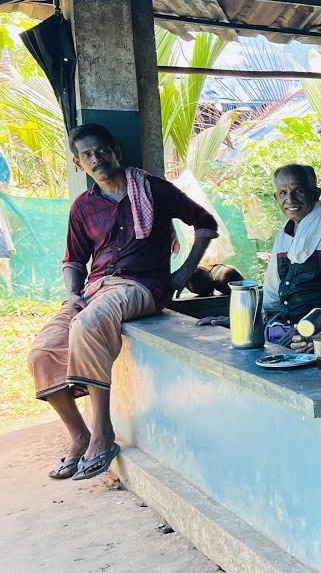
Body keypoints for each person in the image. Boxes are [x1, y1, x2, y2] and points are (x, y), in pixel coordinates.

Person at [28, 123, 218, 480]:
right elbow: (73, 259)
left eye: (101, 151)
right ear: (77, 163)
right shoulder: (83, 207)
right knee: (42, 353)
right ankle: (79, 435)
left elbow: (205, 223)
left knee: (88, 325)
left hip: (141, 285)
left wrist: (183, 272)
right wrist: (73, 293)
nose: (96, 159)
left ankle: (103, 433)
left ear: (116, 150)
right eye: (87, 155)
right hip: (95, 289)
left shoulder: (152, 190)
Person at [198, 165, 321, 349]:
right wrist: (242, 321)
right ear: (276, 197)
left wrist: (310, 331)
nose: (290, 199)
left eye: (298, 191)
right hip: (284, 331)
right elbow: (272, 294)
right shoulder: (286, 232)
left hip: (317, 338)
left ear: (315, 193)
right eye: (283, 193)